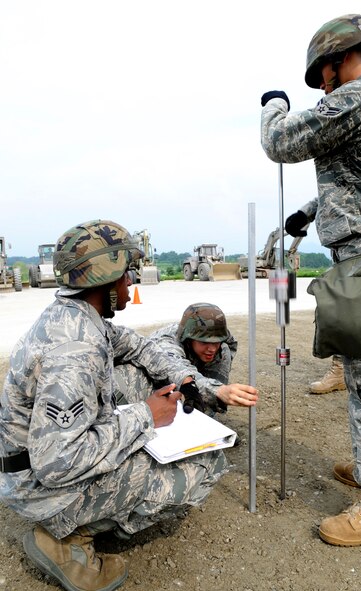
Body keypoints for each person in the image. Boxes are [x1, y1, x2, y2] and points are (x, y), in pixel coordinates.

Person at [0, 219, 228, 591]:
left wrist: (189, 380)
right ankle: (66, 538)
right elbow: (58, 463)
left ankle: (75, 522)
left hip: (36, 458)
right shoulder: (74, 354)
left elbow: (140, 347)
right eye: (127, 275)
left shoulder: (79, 317)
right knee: (204, 465)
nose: (131, 284)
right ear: (105, 282)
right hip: (38, 485)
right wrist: (146, 416)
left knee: (138, 376)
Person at [260, 14, 361, 546]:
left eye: (323, 74)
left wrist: (275, 105)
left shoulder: (358, 98)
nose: (322, 85)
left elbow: (281, 143)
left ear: (339, 59)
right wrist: (311, 211)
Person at [115, 302, 259, 415]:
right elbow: (175, 367)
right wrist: (218, 390)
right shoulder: (167, 341)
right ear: (188, 339)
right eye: (204, 343)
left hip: (189, 370)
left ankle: (203, 412)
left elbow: (230, 345)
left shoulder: (216, 334)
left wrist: (219, 389)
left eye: (216, 342)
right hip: (157, 379)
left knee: (224, 351)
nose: (212, 349)